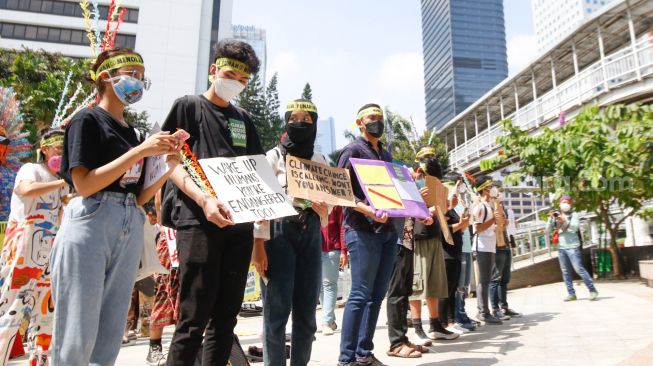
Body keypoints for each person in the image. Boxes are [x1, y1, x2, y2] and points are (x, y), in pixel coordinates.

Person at [50, 47, 180, 365]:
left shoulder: (133, 133)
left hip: (128, 218)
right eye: (132, 74)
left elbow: (137, 196)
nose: (138, 81)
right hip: (92, 219)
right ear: (107, 76)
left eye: (141, 76)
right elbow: (85, 184)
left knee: (110, 332)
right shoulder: (87, 120)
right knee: (77, 331)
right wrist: (139, 152)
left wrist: (169, 168)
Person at [162, 39, 263, 365]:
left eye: (243, 80)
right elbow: (171, 163)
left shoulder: (244, 120)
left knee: (226, 318)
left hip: (239, 225)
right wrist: (204, 200)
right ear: (213, 70)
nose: (236, 83)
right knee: (194, 316)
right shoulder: (188, 107)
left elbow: (257, 173)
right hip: (198, 222)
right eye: (231, 73)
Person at [251, 99, 329, 366]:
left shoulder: (320, 160)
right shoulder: (272, 157)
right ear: (286, 121)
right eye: (294, 118)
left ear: (315, 123)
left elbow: (329, 204)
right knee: (276, 314)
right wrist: (258, 246)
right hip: (279, 232)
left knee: (307, 316)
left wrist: (322, 207)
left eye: (307, 119)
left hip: (311, 233)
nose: (300, 123)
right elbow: (259, 203)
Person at [0, 128, 68, 366]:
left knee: (46, 313)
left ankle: (39, 360)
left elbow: (61, 214)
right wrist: (62, 182)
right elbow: (25, 189)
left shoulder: (62, 182)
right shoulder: (31, 169)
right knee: (12, 308)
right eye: (58, 148)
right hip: (23, 250)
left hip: (49, 253)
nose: (62, 153)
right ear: (45, 149)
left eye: (65, 149)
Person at [336, 104, 398, 366]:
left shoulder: (385, 153)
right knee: (360, 294)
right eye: (372, 118)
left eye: (380, 118)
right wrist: (368, 211)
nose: (377, 122)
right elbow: (340, 191)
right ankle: (346, 358)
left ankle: (364, 353)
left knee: (377, 295)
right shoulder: (352, 151)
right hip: (361, 231)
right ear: (359, 123)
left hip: (387, 231)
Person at [385, 162, 434, 358]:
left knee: (405, 291)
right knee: (396, 292)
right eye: (416, 171)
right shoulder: (395, 187)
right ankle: (396, 342)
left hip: (407, 240)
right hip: (396, 241)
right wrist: (415, 199)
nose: (418, 175)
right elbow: (394, 211)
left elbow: (412, 214)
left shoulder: (410, 189)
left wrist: (423, 214)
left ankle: (403, 339)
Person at [408, 155, 459, 343]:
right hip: (418, 238)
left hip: (434, 235)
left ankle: (435, 324)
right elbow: (403, 210)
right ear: (421, 172)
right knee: (417, 283)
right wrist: (418, 203)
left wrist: (446, 207)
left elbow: (440, 211)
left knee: (434, 282)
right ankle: (417, 327)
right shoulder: (406, 183)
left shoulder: (434, 186)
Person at [147, 191, 180, 365]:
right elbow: (159, 200)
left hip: (186, 233)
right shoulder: (165, 167)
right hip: (169, 237)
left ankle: (181, 345)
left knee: (184, 294)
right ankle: (155, 347)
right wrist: (163, 225)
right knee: (163, 292)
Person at [546, 195, 598, 301]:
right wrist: (551, 219)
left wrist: (563, 220)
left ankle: (592, 290)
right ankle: (571, 294)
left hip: (573, 247)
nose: (564, 204)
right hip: (561, 248)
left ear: (570, 204)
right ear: (560, 204)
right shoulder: (556, 216)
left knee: (579, 269)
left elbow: (574, 228)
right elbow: (547, 230)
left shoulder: (574, 215)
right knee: (565, 271)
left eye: (567, 202)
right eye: (563, 202)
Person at [471, 175, 504, 325]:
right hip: (482, 246)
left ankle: (484, 311)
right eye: (490, 187)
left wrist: (494, 224)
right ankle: (483, 312)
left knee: (486, 279)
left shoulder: (489, 205)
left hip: (489, 245)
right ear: (484, 189)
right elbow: (477, 228)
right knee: (484, 280)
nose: (492, 189)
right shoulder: (481, 207)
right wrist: (493, 221)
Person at [438, 174, 468, 332]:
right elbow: (443, 231)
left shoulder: (453, 210)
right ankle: (442, 323)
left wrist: (463, 223)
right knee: (446, 290)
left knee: (453, 288)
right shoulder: (443, 209)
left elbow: (459, 228)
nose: (456, 196)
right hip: (446, 253)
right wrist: (460, 224)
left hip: (456, 251)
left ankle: (451, 321)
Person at [489, 193, 521, 321]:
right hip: (497, 247)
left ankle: (504, 307)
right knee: (495, 279)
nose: (498, 195)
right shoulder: (489, 207)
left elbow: (506, 224)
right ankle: (495, 309)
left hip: (506, 245)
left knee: (505, 279)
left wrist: (506, 221)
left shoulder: (501, 206)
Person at [453, 177, 477, 332]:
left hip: (467, 246)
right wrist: (454, 190)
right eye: (459, 182)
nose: (462, 185)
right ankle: (457, 316)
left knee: (465, 284)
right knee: (459, 285)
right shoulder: (452, 201)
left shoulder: (463, 200)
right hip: (459, 247)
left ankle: (462, 313)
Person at [320, 205, 348, 336]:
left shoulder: (336, 203)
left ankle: (326, 321)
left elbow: (342, 226)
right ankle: (329, 319)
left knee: (329, 284)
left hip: (332, 249)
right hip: (316, 248)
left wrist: (343, 250)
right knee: (321, 286)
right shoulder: (310, 200)